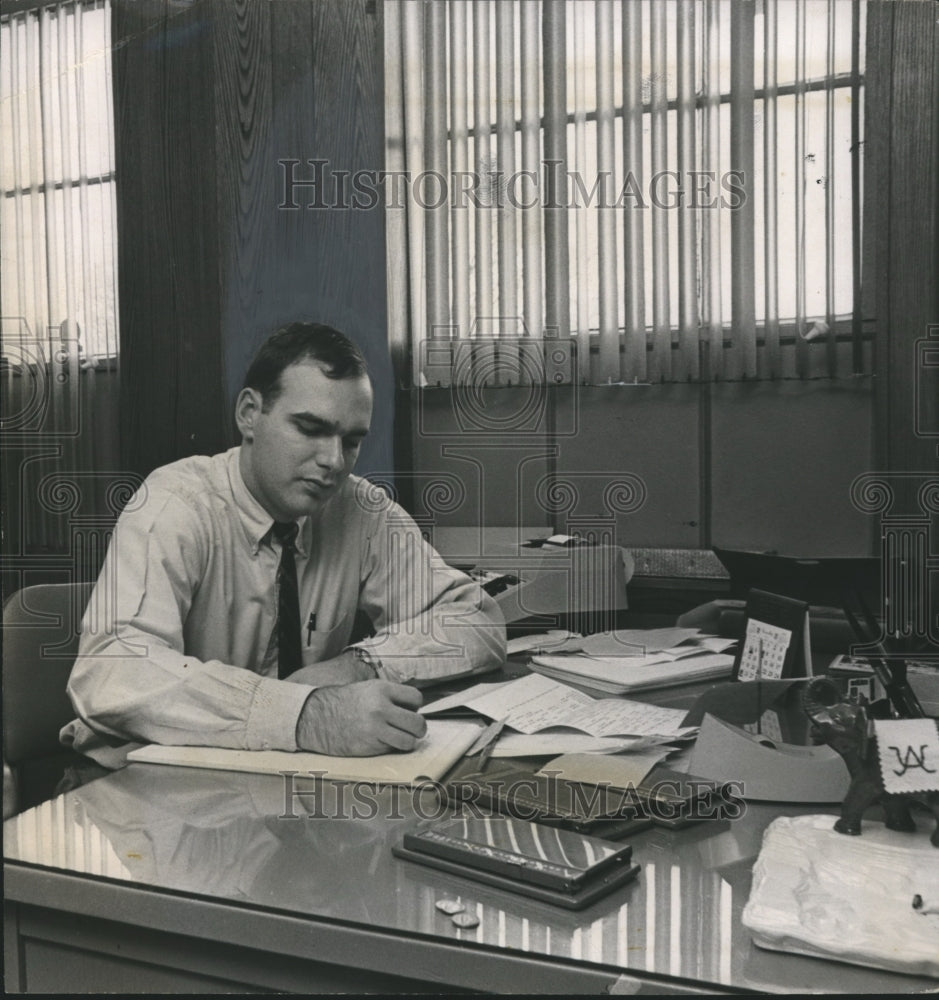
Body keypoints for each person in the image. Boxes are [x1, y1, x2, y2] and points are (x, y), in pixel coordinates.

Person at [61, 322, 506, 766]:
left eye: (351, 441)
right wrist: (305, 715)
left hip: (291, 786)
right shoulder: (175, 504)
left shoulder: (361, 510)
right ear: (249, 414)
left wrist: (360, 665)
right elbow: (109, 670)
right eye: (311, 428)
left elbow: (478, 621)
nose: (334, 461)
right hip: (152, 789)